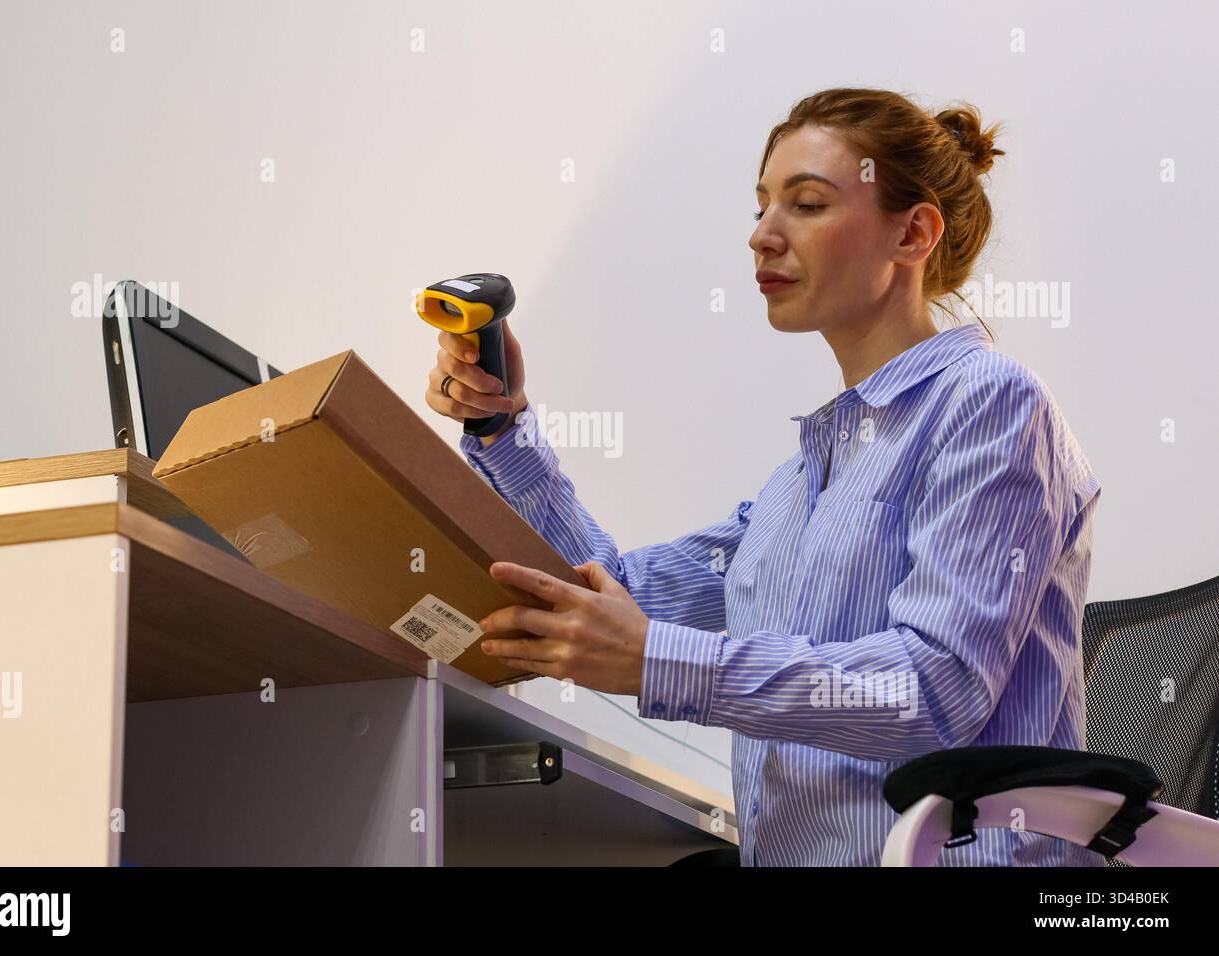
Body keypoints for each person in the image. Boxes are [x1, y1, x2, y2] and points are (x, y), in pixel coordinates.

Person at [423, 87, 1102, 867]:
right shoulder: (799, 481)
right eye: (760, 207)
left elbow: (935, 687)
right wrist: (502, 428)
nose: (762, 237)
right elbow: (614, 593)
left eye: (806, 204)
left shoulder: (991, 405)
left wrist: (660, 662)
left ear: (913, 233)